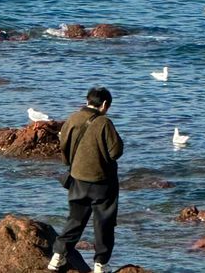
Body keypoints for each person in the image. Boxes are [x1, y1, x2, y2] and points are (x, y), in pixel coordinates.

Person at [48, 86, 124, 273]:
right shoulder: (104, 123)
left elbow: (64, 149)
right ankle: (100, 264)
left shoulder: (72, 118)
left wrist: (73, 166)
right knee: (103, 223)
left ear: (87, 100)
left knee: (74, 221)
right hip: (102, 183)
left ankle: (57, 257)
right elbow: (116, 152)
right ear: (105, 104)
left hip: (77, 179)